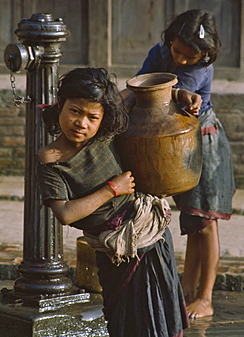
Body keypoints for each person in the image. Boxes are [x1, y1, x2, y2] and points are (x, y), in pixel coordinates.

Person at [37, 67, 201, 336]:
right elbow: (65, 213)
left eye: (92, 116)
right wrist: (112, 189)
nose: (82, 123)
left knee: (158, 315)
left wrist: (181, 94)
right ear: (60, 107)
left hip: (148, 236)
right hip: (115, 251)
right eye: (75, 111)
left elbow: (142, 92)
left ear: (103, 118)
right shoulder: (51, 158)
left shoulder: (106, 133)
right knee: (125, 319)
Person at [135, 9, 235, 319]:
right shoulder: (161, 51)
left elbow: (173, 95)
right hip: (178, 144)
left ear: (204, 55)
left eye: (189, 57)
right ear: (170, 40)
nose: (180, 60)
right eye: (177, 51)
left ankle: (205, 297)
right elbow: (141, 82)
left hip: (203, 145)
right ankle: (187, 289)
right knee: (191, 220)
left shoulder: (202, 65)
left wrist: (180, 94)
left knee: (205, 223)